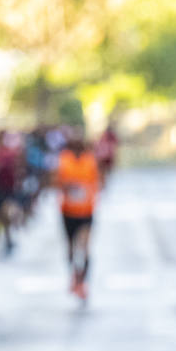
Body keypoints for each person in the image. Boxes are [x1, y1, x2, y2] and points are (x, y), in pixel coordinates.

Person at [55, 129, 99, 301]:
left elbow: (96, 181)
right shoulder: (64, 159)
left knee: (85, 246)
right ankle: (74, 273)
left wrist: (87, 189)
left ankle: (82, 281)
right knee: (71, 247)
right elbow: (57, 181)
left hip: (86, 210)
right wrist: (68, 186)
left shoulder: (90, 160)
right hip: (68, 210)